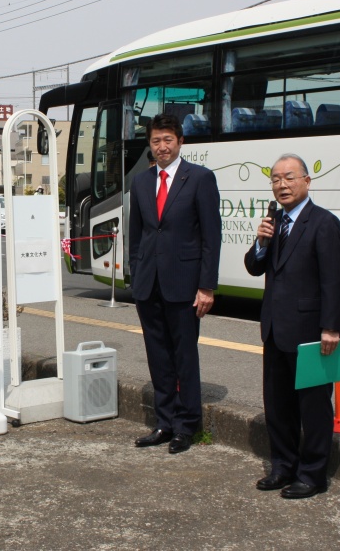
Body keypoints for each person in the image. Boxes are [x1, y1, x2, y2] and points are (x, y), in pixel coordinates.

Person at [244, 153, 340, 499]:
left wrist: (331, 327)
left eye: (289, 177)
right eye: (275, 179)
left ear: (306, 181)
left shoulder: (323, 223)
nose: (282, 185)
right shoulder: (275, 222)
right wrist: (260, 242)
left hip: (309, 333)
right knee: (278, 404)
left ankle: (313, 474)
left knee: (314, 407)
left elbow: (334, 280)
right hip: (274, 329)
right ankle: (283, 467)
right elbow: (253, 267)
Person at [128, 115, 220, 454]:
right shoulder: (140, 182)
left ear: (180, 142)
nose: (162, 146)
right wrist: (136, 275)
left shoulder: (199, 179)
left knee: (184, 356)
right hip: (147, 285)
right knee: (158, 357)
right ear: (150, 145)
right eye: (156, 141)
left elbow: (212, 236)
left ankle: (187, 426)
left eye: (168, 139)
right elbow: (137, 237)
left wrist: (207, 286)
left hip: (184, 284)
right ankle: (164, 422)